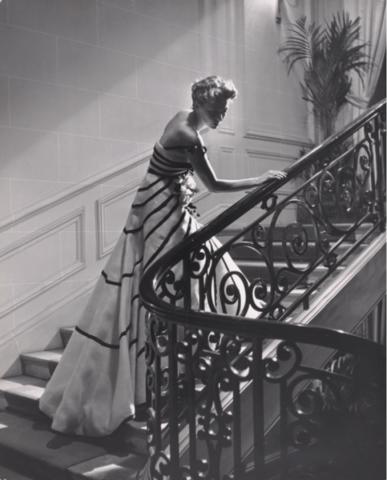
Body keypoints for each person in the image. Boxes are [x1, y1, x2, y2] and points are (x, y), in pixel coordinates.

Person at [39, 75, 286, 437]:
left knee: (193, 263)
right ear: (200, 104)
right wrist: (261, 179)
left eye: (224, 110)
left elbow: (174, 174)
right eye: (216, 110)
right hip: (159, 211)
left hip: (157, 202)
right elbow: (214, 186)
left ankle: (205, 345)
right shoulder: (190, 137)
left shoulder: (182, 116)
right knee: (165, 282)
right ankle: (164, 373)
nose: (220, 117)